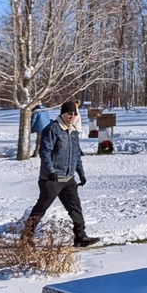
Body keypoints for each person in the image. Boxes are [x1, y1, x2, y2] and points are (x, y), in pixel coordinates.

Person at [22, 100, 99, 248]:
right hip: (52, 179)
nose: (71, 116)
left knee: (75, 207)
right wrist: (50, 172)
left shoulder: (73, 132)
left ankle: (80, 237)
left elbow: (76, 154)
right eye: (69, 113)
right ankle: (26, 237)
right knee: (41, 208)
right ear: (62, 113)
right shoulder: (52, 129)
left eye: (74, 113)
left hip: (68, 178)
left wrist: (81, 174)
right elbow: (45, 152)